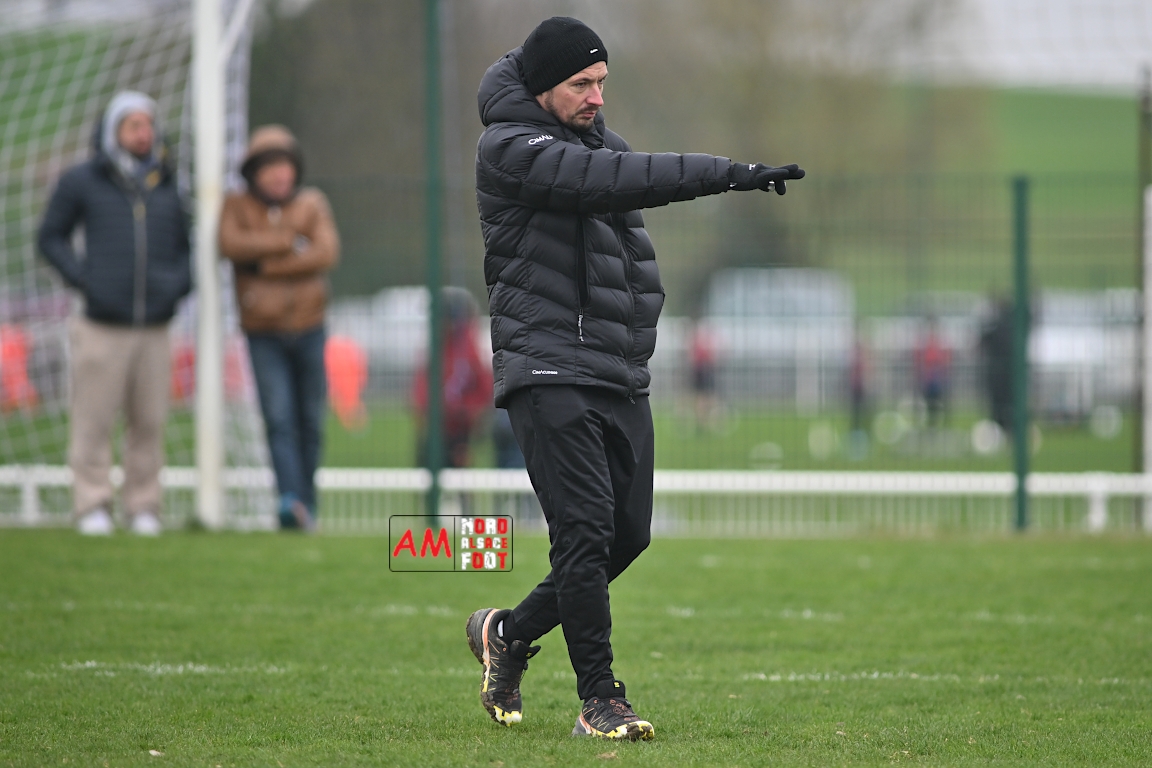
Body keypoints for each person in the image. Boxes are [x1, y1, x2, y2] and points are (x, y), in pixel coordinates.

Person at [465, 17, 804, 741]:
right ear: (542, 86)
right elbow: (615, 180)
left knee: (627, 536)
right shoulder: (510, 148)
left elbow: (629, 260)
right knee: (585, 532)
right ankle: (599, 700)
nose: (596, 97)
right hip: (547, 367)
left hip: (616, 373)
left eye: (602, 82)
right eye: (581, 84)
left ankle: (508, 634)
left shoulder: (601, 145)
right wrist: (727, 173)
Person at [37, 90, 191, 537]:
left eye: (149, 124)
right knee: (94, 420)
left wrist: (176, 285)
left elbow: (186, 246)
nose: (144, 133)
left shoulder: (167, 183)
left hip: (155, 326)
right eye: (133, 125)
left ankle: (144, 507)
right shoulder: (82, 180)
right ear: (112, 131)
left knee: (150, 422)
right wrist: (86, 281)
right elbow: (50, 237)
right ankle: (92, 505)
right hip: (100, 325)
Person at [219, 125, 339, 531]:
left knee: (310, 420)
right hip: (262, 332)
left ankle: (307, 505)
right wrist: (290, 241)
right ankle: (290, 500)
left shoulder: (312, 203)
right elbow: (231, 245)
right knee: (278, 417)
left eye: (285, 166)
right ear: (254, 172)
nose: (279, 175)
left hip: (310, 328)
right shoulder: (236, 206)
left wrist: (264, 264)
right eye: (270, 167)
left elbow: (325, 252)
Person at [411, 287, 494, 469]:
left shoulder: (470, 348)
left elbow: (484, 389)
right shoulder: (435, 347)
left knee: (458, 475)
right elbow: (421, 388)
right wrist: (428, 408)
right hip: (436, 428)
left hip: (460, 432)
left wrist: (467, 411)